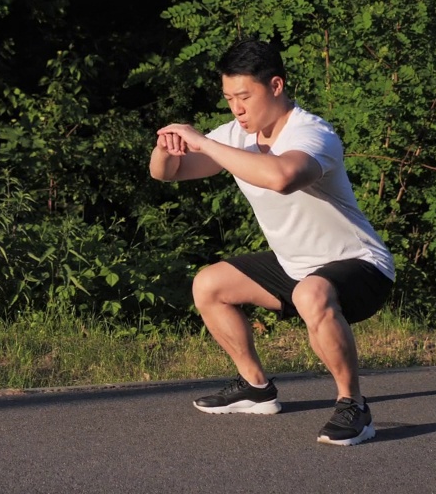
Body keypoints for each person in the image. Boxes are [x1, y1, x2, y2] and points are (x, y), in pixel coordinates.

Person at [149, 39, 394, 446]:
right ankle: (256, 388)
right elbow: (168, 174)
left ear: (276, 85)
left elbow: (281, 177)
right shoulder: (235, 135)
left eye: (244, 97)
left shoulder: (313, 133)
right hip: (295, 265)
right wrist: (166, 150)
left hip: (359, 265)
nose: (236, 109)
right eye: (229, 98)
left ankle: (354, 406)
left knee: (312, 293)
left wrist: (206, 142)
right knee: (209, 284)